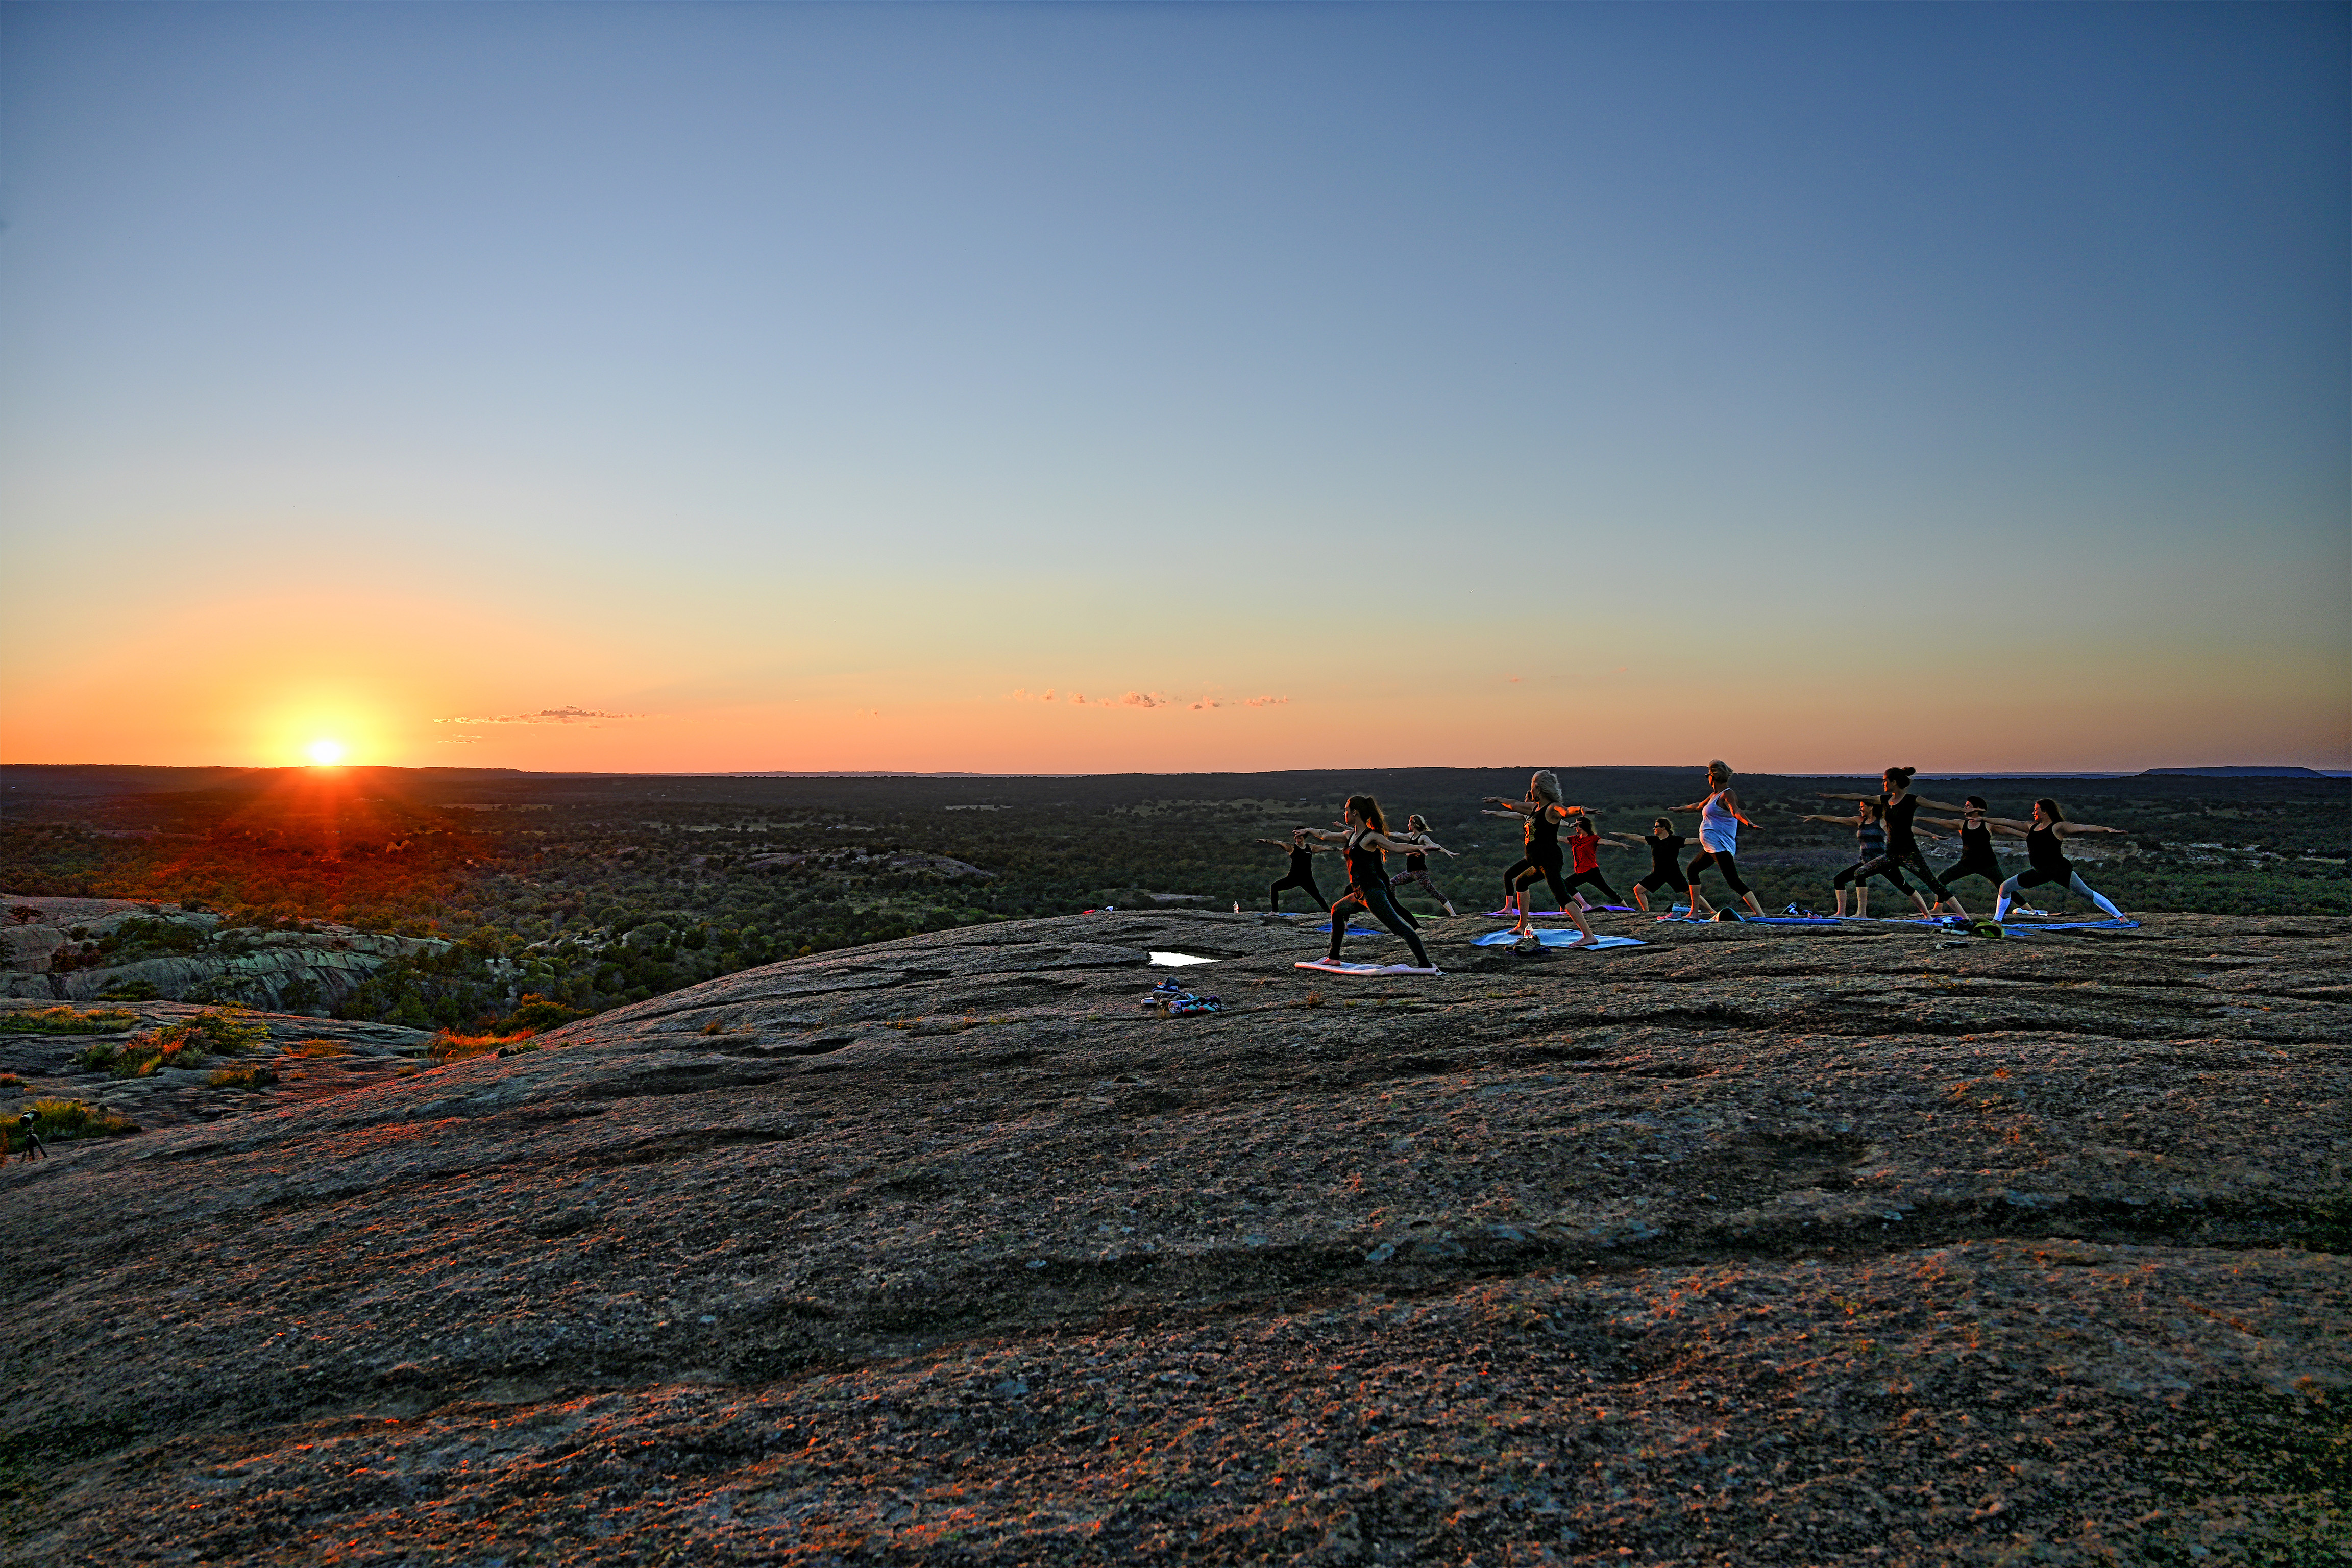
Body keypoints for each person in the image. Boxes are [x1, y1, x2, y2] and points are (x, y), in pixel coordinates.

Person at [1299, 796, 1443, 970]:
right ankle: (1333, 958)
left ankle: (1425, 964)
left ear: (1355, 812)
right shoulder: (1349, 835)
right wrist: (1308, 830)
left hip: (1373, 892)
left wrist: (1419, 848)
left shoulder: (1371, 837)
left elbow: (1395, 847)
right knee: (1337, 910)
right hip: (1360, 893)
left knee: (1400, 929)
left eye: (1346, 810)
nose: (1344, 813)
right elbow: (1324, 835)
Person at [1815, 767, 1969, 917]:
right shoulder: (1884, 800)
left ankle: (1966, 919)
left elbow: (1938, 806)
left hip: (1909, 853)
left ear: (1894, 782)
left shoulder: (1912, 800)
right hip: (1890, 854)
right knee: (1860, 873)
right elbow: (1859, 796)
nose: (1883, 784)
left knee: (1934, 885)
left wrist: (1962, 811)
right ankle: (1861, 914)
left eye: (1885, 781)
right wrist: (1833, 796)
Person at [1483, 772, 1600, 946]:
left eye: (1532, 786)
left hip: (1549, 860)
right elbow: (1514, 805)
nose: (1530, 789)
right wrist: (1499, 799)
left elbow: (1567, 811)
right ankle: (1522, 926)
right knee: (1521, 883)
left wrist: (1581, 810)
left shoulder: (1552, 808)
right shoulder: (1534, 809)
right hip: (1536, 861)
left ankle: (1589, 935)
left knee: (1562, 896)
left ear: (1538, 789)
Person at [1984, 799, 2130, 922]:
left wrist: (2106, 830)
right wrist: (1982, 819)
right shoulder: (2031, 826)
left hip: (2058, 869)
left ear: (2045, 811)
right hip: (2040, 871)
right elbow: (2006, 822)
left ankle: (2121, 917)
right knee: (2005, 888)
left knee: (2087, 893)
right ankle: (1997, 921)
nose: (2033, 813)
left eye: (2036, 810)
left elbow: (2083, 828)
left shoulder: (2058, 827)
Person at [1796, 798, 1930, 918]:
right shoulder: (1860, 821)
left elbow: (1907, 829)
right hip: (1866, 862)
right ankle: (1841, 913)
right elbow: (1836, 819)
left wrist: (1932, 835)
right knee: (1839, 880)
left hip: (1884, 862)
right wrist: (1815, 816)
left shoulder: (1883, 822)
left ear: (1871, 807)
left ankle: (1927, 915)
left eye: (1862, 806)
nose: (1860, 809)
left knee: (1904, 887)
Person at [1675, 761, 1766, 919]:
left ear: (1713, 777)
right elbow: (1698, 806)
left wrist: (1748, 823)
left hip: (1721, 847)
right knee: (1692, 870)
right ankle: (1694, 913)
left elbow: (1735, 810)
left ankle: (1761, 915)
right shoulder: (1714, 795)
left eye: (1708, 775)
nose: (1707, 778)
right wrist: (1681, 809)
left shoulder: (1727, 794)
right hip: (1710, 847)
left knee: (1733, 881)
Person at [1916, 796, 2009, 902]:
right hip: (1966, 863)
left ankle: (2028, 909)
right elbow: (1939, 821)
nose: (1965, 808)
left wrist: (2029, 833)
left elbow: (2010, 830)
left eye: (1968, 806)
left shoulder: (1988, 825)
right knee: (1941, 880)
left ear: (1977, 808)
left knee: (2005, 887)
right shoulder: (1962, 824)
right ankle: (1938, 909)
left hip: (1988, 864)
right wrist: (1918, 818)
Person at [1605, 818, 1689, 914]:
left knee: (1690, 893)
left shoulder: (1676, 840)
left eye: (1656, 827)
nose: (1654, 828)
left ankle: (1711, 910)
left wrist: (1707, 840)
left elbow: (1692, 841)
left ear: (1663, 828)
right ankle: (1646, 913)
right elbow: (1637, 837)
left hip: (1673, 873)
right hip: (1658, 874)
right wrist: (1622, 834)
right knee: (1638, 890)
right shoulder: (1654, 840)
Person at [1389, 814, 1459, 916]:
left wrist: (1446, 851)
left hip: (1420, 872)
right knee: (1391, 883)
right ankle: (1394, 908)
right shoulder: (1410, 836)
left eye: (1409, 823)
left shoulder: (1422, 837)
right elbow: (1396, 834)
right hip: (1410, 872)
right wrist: (1381, 832)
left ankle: (1453, 914)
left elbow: (1434, 845)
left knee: (1433, 893)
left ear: (1413, 825)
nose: (1407, 824)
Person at [1559, 811, 1627, 909]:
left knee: (1607, 891)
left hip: (1591, 871)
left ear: (1582, 827)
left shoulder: (1593, 839)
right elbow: (1560, 838)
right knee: (1563, 887)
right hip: (1580, 872)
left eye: (1577, 826)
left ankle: (1628, 908)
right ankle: (1565, 910)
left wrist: (1621, 844)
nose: (1575, 828)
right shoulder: (1575, 839)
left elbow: (1606, 842)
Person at [1258, 829, 1333, 913]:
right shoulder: (1292, 847)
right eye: (1295, 836)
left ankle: (1329, 913)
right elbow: (1279, 842)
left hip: (1307, 879)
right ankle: (1275, 911)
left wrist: (1341, 849)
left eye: (1299, 835)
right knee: (1274, 887)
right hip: (1293, 878)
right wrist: (1266, 841)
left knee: (1318, 896)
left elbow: (1325, 848)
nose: (1297, 837)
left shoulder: (1310, 847)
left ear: (1304, 837)